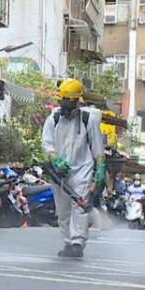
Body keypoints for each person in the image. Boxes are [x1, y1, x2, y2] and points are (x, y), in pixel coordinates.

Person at [41, 78, 105, 258]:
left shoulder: (87, 120)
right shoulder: (53, 119)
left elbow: (97, 146)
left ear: (77, 101)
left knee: (79, 206)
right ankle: (68, 242)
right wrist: (55, 159)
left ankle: (77, 242)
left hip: (82, 169)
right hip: (59, 171)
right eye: (64, 100)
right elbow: (47, 144)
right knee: (62, 210)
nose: (67, 104)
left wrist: (99, 168)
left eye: (71, 100)